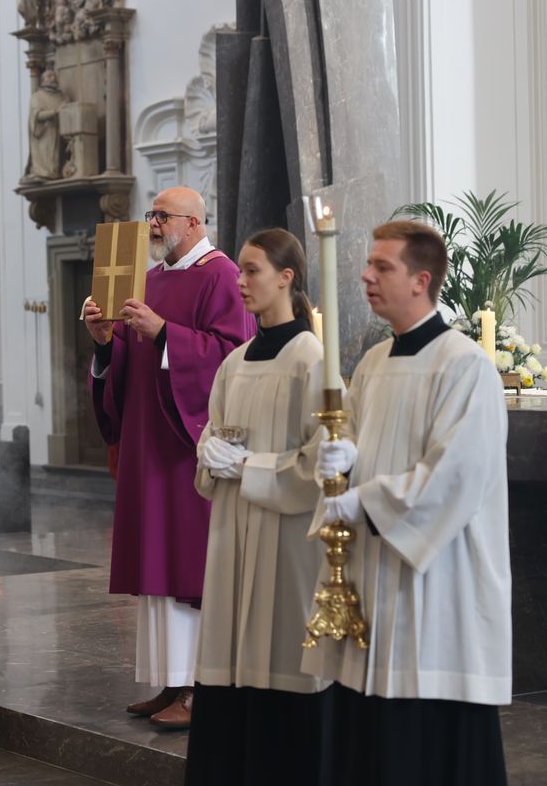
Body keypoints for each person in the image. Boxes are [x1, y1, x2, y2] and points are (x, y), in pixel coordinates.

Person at [302, 220, 511, 784]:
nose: (366, 276)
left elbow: (456, 475)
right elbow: (355, 445)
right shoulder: (371, 363)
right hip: (375, 574)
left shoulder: (465, 365)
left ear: (421, 280)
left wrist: (364, 503)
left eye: (382, 267)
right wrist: (338, 461)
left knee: (423, 732)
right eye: (368, 265)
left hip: (436, 582)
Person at [84, 186, 254, 728]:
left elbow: (233, 357)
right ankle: (174, 682)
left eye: (162, 216)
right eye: (151, 215)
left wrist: (166, 335)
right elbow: (127, 367)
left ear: (195, 222)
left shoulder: (222, 275)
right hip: (146, 443)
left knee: (189, 566)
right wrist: (104, 342)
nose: (152, 225)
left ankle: (205, 688)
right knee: (156, 565)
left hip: (188, 447)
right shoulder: (149, 280)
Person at [184, 228, 330, 783]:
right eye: (240, 271)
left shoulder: (310, 359)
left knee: (282, 655)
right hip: (231, 532)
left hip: (286, 540)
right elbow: (215, 442)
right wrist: (209, 453)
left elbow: (323, 466)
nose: (240, 282)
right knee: (228, 657)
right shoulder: (236, 361)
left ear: (287, 278)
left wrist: (245, 467)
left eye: (252, 271)